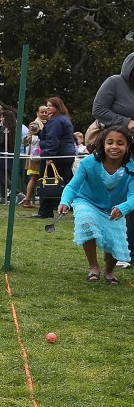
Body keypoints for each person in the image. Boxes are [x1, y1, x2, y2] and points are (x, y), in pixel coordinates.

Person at [57, 126, 134, 284]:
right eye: (110, 142)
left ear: (127, 147)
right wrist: (65, 201)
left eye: (120, 143)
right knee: (87, 221)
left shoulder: (131, 169)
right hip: (86, 201)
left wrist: (123, 207)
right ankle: (93, 267)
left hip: (115, 208)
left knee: (113, 239)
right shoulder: (89, 163)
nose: (114, 147)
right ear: (103, 144)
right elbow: (72, 186)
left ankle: (109, 271)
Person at [90, 51, 134, 268]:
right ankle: (119, 251)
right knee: (120, 198)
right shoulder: (115, 83)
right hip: (118, 149)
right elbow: (98, 110)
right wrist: (127, 121)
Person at [34, 97, 76, 219]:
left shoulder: (57, 121)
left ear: (57, 107)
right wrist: (39, 131)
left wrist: (49, 156)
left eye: (50, 106)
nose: (47, 108)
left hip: (57, 155)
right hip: (65, 155)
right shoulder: (61, 119)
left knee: (46, 181)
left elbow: (53, 139)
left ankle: (45, 211)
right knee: (65, 182)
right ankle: (66, 207)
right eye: (47, 105)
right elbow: (47, 135)